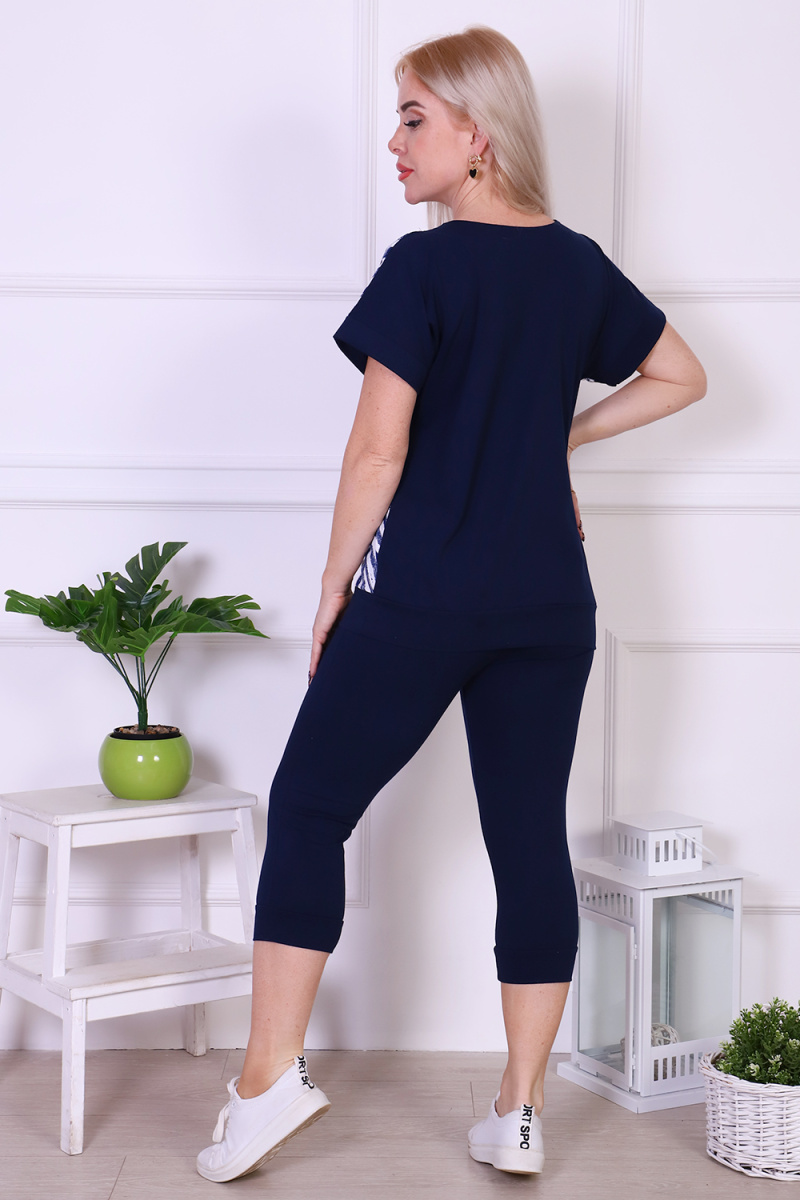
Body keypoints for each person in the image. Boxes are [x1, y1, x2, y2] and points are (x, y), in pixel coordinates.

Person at [196, 25, 706, 1183]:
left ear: (478, 134)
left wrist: (332, 584)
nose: (394, 140)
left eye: (413, 117)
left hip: (423, 597)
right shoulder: (575, 265)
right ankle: (517, 1112)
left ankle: (266, 1083)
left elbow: (376, 453)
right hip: (547, 606)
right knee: (526, 839)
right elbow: (681, 374)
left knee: (308, 805)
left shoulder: (422, 269)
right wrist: (556, 441)